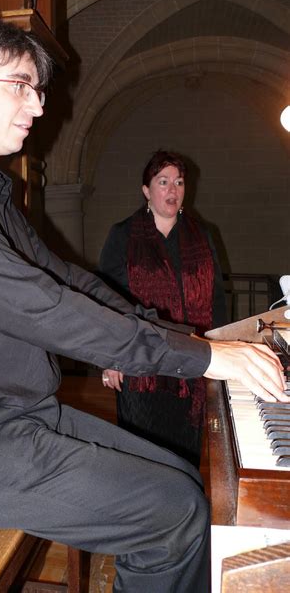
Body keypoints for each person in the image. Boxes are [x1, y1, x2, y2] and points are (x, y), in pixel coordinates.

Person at [0, 17, 287, 593]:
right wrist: (202, 359)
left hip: (19, 417)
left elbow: (70, 281)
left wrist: (196, 340)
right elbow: (40, 306)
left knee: (183, 478)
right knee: (174, 514)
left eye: (39, 90)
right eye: (21, 85)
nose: (37, 106)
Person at [99, 151, 226, 467]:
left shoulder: (202, 235)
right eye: (163, 181)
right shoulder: (124, 235)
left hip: (192, 362)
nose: (173, 190)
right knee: (144, 453)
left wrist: (221, 352)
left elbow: (217, 301)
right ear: (146, 190)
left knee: (187, 454)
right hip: (141, 362)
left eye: (179, 182)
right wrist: (109, 358)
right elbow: (106, 300)